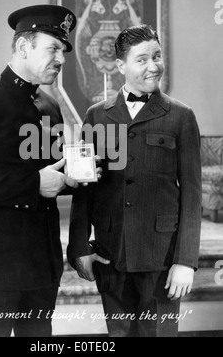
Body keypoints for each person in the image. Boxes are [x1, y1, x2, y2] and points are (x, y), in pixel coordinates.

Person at [0, 4, 98, 337]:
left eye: (63, 51)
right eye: (53, 48)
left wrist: (72, 177)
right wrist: (35, 183)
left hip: (40, 265)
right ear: (23, 46)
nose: (60, 59)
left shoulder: (49, 104)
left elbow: (50, 174)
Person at [67, 25, 202, 337]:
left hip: (163, 260)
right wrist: (78, 247)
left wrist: (185, 262)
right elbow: (83, 189)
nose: (153, 65)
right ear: (120, 66)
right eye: (142, 59)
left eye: (156, 56)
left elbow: (193, 196)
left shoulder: (181, 116)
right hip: (111, 254)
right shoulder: (96, 116)